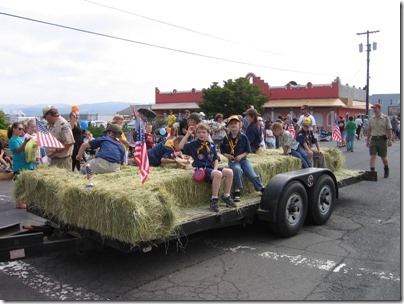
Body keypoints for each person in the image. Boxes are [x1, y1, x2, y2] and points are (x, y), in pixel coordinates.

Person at [178, 123, 235, 213]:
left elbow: (215, 159)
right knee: (218, 174)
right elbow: (180, 147)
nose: (201, 134)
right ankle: (214, 200)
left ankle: (226, 196)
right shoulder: (193, 144)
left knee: (229, 172)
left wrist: (215, 169)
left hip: (211, 169)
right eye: (199, 132)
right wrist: (188, 134)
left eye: (204, 132)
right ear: (196, 134)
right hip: (201, 170)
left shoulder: (211, 144)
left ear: (208, 133)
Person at [220, 115, 265, 202]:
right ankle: (237, 190)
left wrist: (241, 156)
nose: (233, 125)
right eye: (231, 123)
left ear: (240, 124)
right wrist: (227, 156)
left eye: (235, 123)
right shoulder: (225, 138)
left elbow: (248, 151)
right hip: (233, 161)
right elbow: (222, 151)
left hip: (243, 160)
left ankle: (260, 187)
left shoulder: (244, 137)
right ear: (228, 126)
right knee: (237, 170)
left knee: (252, 174)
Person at [7, 122, 35, 208]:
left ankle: (24, 201)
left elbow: (26, 147)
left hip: (27, 164)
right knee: (20, 185)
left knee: (26, 185)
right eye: (19, 129)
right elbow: (18, 150)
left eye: (22, 129)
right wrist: (26, 142)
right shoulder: (12, 140)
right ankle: (19, 203)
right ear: (14, 129)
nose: (21, 130)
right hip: (19, 166)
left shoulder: (21, 138)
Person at [42, 105, 75, 169]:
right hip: (54, 160)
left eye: (45, 117)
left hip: (62, 161)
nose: (45, 119)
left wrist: (56, 150)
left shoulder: (63, 125)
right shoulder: (52, 125)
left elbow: (69, 142)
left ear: (49, 114)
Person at [366, 103, 393, 178]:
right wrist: (367, 140)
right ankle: (372, 172)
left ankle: (386, 169)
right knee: (372, 156)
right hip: (374, 139)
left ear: (379, 109)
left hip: (382, 139)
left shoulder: (385, 118)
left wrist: (390, 140)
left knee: (383, 156)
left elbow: (389, 129)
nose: (374, 110)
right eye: (373, 108)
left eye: (375, 108)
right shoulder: (371, 119)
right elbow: (369, 130)